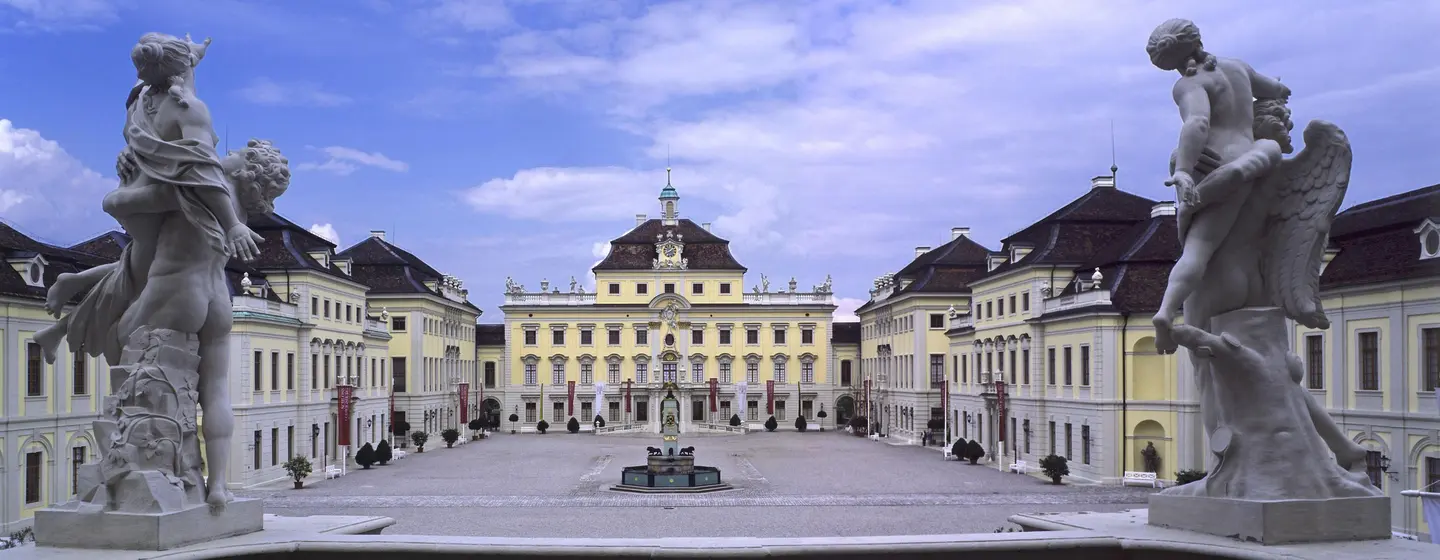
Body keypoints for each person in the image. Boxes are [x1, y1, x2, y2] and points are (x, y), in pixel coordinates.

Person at [1144, 19, 1290, 355]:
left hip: (1216, 165)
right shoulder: (1237, 68)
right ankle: (1169, 312)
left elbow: (1198, 122)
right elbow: (1276, 90)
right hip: (1247, 156)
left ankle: (1166, 311)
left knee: (1200, 247)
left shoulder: (1189, 83)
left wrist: (1182, 169)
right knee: (1214, 244)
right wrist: (1280, 91)